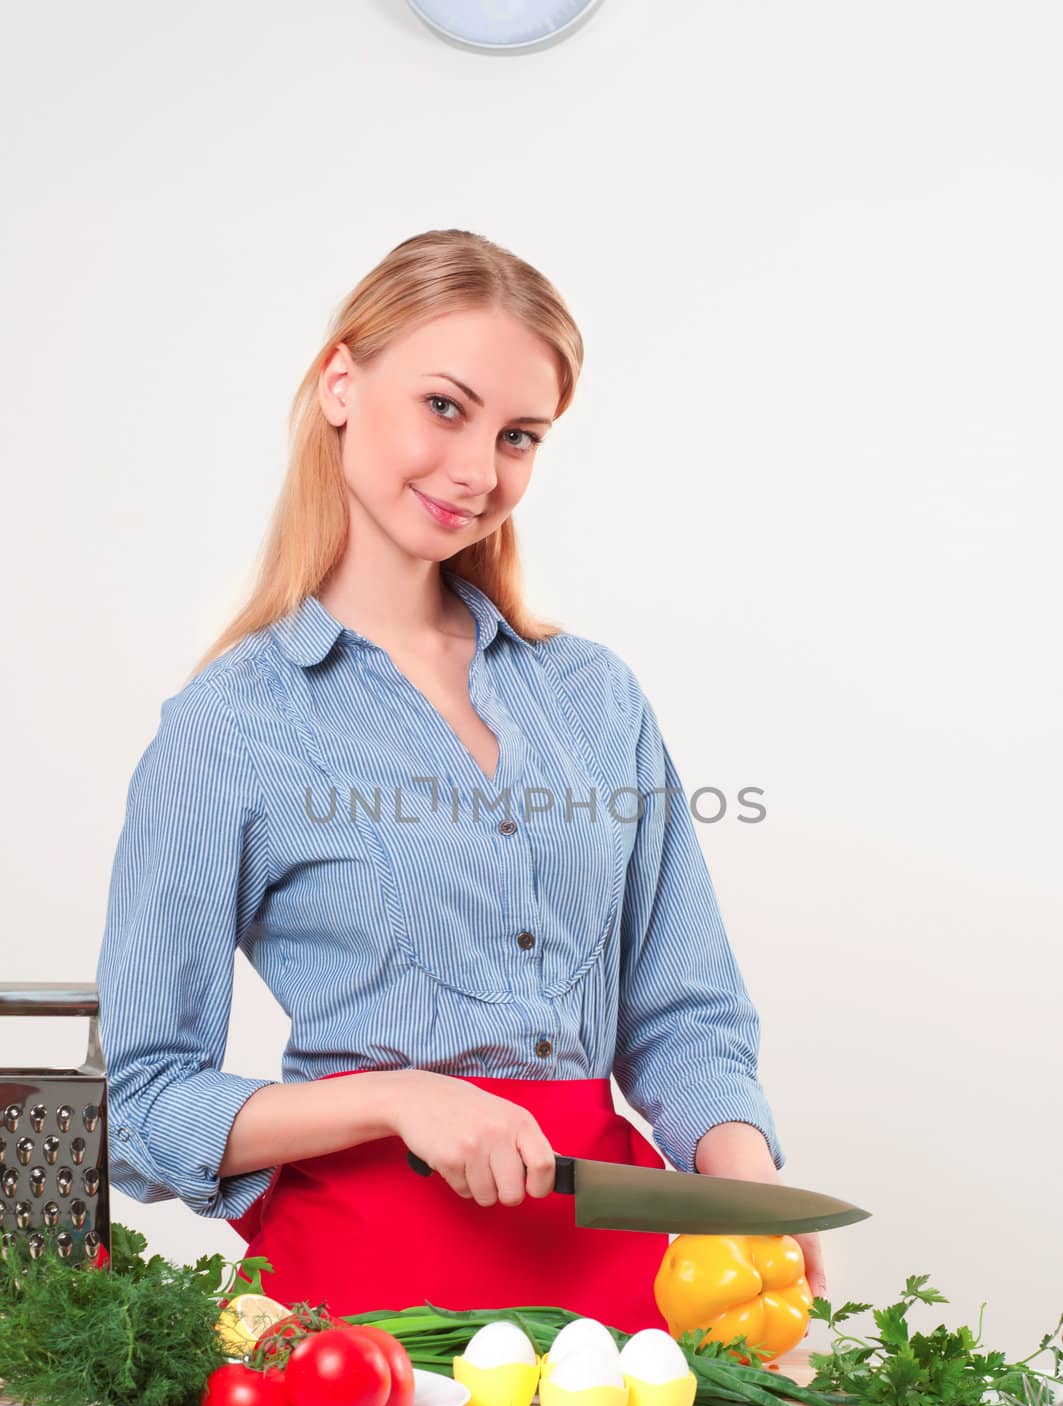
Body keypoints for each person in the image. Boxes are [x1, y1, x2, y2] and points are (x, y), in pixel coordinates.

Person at [95, 228, 825, 1332]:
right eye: (446, 406)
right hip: (363, 1316)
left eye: (519, 434)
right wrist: (396, 1097)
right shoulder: (226, 731)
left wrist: (745, 1182)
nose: (480, 471)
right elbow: (143, 1100)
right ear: (341, 382)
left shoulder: (594, 699)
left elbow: (684, 1015)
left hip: (617, 1294)